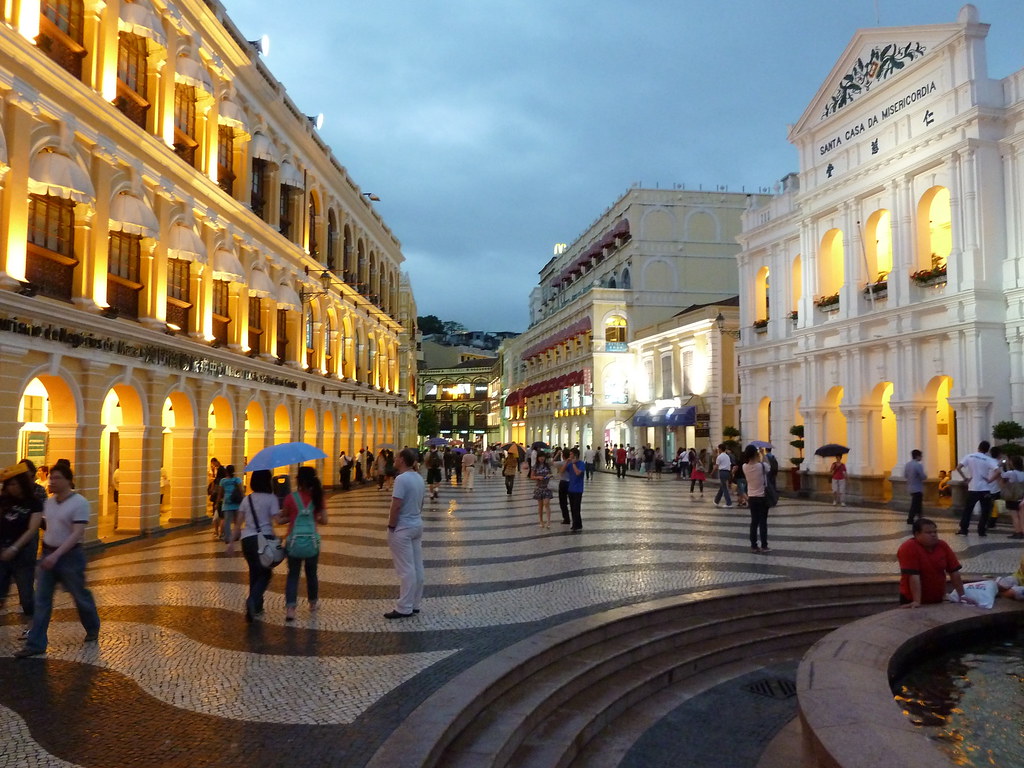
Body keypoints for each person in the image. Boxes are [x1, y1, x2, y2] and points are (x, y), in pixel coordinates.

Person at [15, 465, 101, 658]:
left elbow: (76, 534)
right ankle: (36, 643)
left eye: (57, 478)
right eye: (51, 478)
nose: (52, 481)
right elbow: (45, 526)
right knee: (42, 600)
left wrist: (56, 555)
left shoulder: (80, 503)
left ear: (68, 481)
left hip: (70, 557)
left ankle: (92, 626)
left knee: (80, 596)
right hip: (48, 555)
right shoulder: (49, 503)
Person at [276, 466, 327, 621]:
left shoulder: (291, 498)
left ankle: (290, 609)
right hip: (311, 543)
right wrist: (314, 517)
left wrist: (284, 516)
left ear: (298, 480)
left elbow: (282, 519)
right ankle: (313, 602)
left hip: (294, 542)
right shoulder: (317, 498)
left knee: (293, 575)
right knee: (312, 574)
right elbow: (324, 520)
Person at [233, 469, 279, 623]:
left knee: (254, 572)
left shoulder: (247, 499)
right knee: (266, 573)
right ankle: (252, 600)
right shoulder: (271, 498)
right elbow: (277, 520)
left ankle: (256, 608)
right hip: (264, 539)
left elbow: (238, 522)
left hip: (247, 540)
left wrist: (232, 542)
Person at [385, 448, 426, 619]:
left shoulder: (401, 479)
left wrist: (391, 526)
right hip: (416, 524)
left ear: (402, 460)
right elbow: (421, 503)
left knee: (405, 569)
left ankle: (404, 607)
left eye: (396, 457)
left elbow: (396, 505)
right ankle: (415, 603)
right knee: (417, 566)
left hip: (403, 527)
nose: (394, 459)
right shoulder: (418, 478)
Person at [0, 463, 44, 623]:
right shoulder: (4, 500)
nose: (11, 488)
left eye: (14, 484)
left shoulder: (34, 503)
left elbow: (32, 529)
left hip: (23, 555)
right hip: (2, 552)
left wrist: (14, 547)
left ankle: (33, 626)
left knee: (26, 597)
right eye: (9, 484)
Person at [898, 518, 974, 607]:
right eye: (928, 533)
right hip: (911, 599)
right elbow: (913, 576)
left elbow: (954, 571)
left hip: (937, 598)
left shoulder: (942, 545)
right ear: (917, 534)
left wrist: (962, 596)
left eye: (935, 532)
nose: (933, 535)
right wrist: (916, 601)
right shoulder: (908, 547)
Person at [955, 440, 999, 536]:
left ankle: (964, 529)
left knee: (968, 509)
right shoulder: (988, 459)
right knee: (985, 510)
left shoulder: (969, 456)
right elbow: (998, 471)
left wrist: (965, 478)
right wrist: (990, 480)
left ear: (978, 447)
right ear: (987, 450)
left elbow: (958, 467)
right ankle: (981, 530)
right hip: (984, 489)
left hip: (973, 488)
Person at [741, 445, 771, 553]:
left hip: (751, 497)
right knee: (763, 522)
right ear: (756, 453)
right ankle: (764, 545)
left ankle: (754, 545)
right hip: (762, 497)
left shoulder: (744, 466)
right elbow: (769, 467)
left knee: (754, 522)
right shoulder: (761, 466)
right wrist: (763, 455)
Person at [218, 465, 244, 552]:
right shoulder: (237, 480)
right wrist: (243, 500)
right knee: (237, 521)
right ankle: (237, 535)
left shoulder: (223, 481)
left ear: (226, 471)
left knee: (227, 521)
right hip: (236, 502)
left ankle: (227, 537)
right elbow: (241, 491)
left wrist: (217, 502)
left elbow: (220, 492)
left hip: (227, 503)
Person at [999, 454, 1024, 540]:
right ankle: (1022, 531)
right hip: (1021, 497)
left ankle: (1017, 532)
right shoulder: (1023, 474)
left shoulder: (1011, 473)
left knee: (1014, 516)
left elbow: (1002, 475)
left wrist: (1002, 466)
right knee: (1021, 516)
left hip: (1012, 496)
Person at [904, 450, 926, 526]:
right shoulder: (918, 465)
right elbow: (923, 476)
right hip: (917, 487)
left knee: (917, 504)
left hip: (910, 486)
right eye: (921, 456)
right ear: (917, 456)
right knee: (915, 504)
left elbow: (905, 475)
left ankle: (919, 517)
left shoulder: (907, 465)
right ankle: (910, 518)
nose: (921, 458)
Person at [566, 448, 585, 532]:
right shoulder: (569, 464)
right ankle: (578, 523)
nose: (570, 456)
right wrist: (567, 462)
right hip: (571, 488)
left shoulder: (581, 464)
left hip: (578, 489)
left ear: (575, 455)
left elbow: (578, 473)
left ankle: (575, 524)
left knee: (576, 507)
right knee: (572, 507)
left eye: (571, 454)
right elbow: (562, 471)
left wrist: (573, 464)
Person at [532, 451, 553, 528]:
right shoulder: (535, 466)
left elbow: (551, 474)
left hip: (547, 487)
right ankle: (541, 521)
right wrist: (538, 477)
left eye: (543, 457)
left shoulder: (547, 466)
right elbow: (532, 476)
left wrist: (549, 475)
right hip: (539, 487)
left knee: (546, 503)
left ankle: (548, 521)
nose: (542, 458)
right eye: (541, 457)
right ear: (538, 458)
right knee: (540, 505)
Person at [555, 454, 570, 524]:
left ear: (563, 456)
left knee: (562, 502)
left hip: (563, 483)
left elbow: (551, 462)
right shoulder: (572, 463)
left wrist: (556, 454)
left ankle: (566, 518)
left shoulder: (561, 463)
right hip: (570, 483)